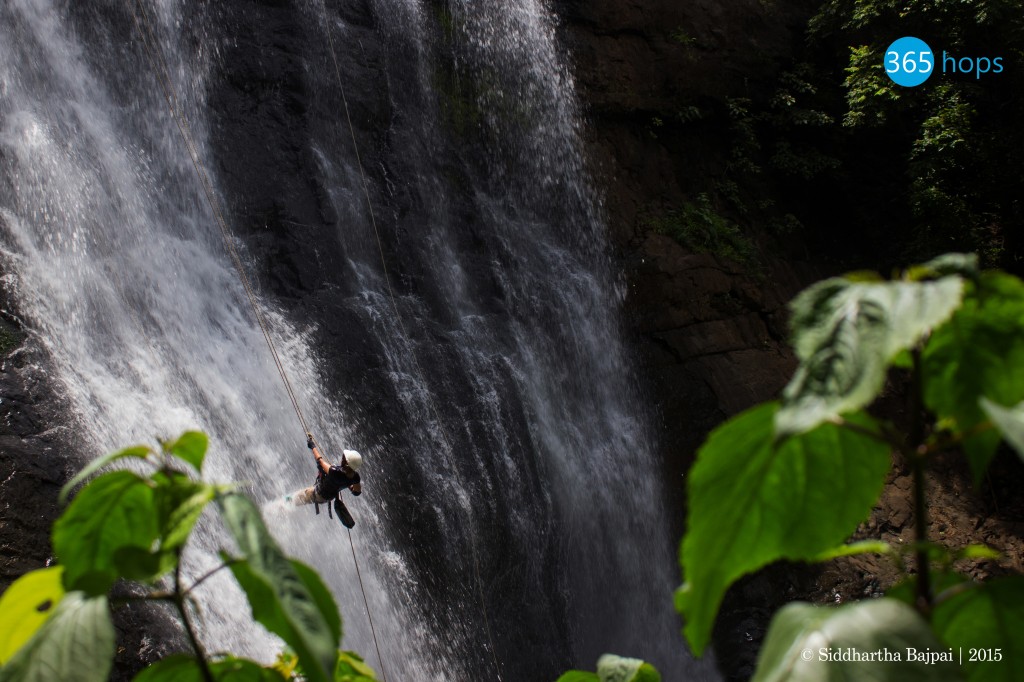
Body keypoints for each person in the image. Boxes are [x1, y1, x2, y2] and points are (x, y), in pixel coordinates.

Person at [287, 433, 362, 527]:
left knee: (294, 498)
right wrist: (347, 484)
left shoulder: (335, 472)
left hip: (317, 493)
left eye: (344, 457)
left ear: (346, 462)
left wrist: (312, 446)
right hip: (327, 497)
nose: (342, 457)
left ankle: (279, 508)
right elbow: (356, 492)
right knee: (298, 499)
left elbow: (320, 461)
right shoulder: (355, 477)